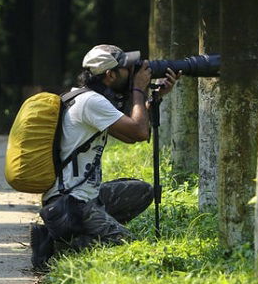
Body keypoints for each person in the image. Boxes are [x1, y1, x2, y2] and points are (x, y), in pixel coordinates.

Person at [30, 44, 181, 269]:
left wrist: (153, 99)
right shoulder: (91, 102)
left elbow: (130, 135)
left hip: (81, 197)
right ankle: (57, 246)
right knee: (128, 246)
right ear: (110, 75)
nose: (132, 74)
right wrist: (139, 90)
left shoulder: (86, 99)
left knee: (142, 191)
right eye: (126, 70)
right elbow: (139, 132)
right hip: (72, 204)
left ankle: (83, 230)